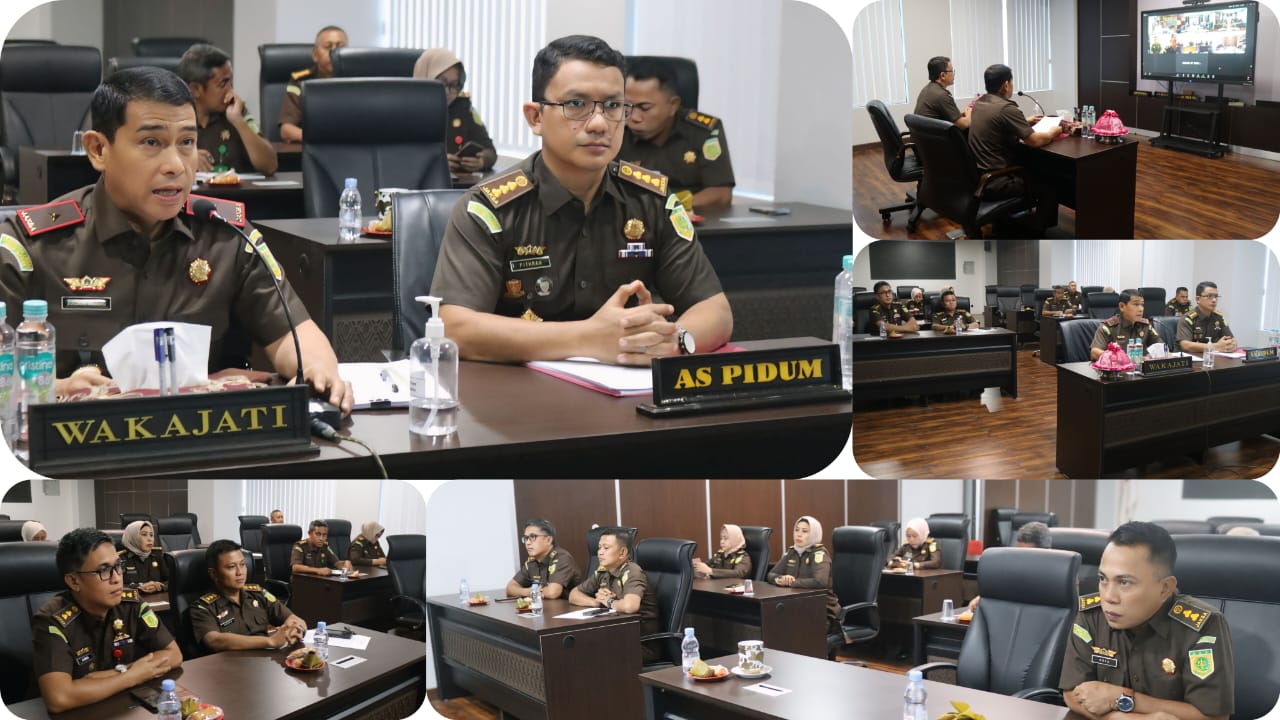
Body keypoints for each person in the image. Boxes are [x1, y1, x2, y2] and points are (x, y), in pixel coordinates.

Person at [0, 67, 351, 411]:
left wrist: (319, 371)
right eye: (151, 142)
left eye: (186, 142)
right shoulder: (32, 246)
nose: (176, 166)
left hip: (202, 436)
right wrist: (55, 389)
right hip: (74, 440)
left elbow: (293, 334)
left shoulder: (226, 236)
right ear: (98, 150)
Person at [430, 35, 732, 365]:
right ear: (536, 117)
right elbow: (455, 327)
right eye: (576, 105)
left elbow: (715, 311)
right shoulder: (489, 207)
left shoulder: (652, 201)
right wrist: (588, 338)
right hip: (518, 391)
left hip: (626, 390)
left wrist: (676, 341)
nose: (600, 124)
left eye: (613, 106)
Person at [1061, 522, 1234, 720]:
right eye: (1102, 578)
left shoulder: (1203, 626)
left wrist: (1120, 698)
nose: (1108, 597)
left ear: (1165, 589)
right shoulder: (1091, 615)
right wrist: (1125, 718)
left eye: (1124, 582)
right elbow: (1072, 693)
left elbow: (1212, 716)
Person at [30, 528, 182, 713]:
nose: (116, 578)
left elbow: (174, 654)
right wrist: (132, 676)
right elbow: (59, 698)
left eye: (118, 566)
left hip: (119, 708)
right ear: (74, 581)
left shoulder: (131, 603)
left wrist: (113, 674)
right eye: (103, 570)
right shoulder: (52, 620)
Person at [619, 57, 734, 208]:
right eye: (627, 106)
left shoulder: (703, 132)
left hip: (686, 217)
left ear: (673, 105)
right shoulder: (615, 130)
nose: (633, 117)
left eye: (644, 108)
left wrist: (672, 208)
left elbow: (721, 194)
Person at [176, 43, 278, 175]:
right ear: (195, 89)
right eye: (223, 83)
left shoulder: (236, 110)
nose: (231, 90)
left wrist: (238, 121)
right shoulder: (174, 117)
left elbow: (270, 166)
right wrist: (186, 157)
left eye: (231, 81)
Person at [968, 63, 1066, 200]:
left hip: (979, 178)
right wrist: (1053, 132)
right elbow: (1034, 141)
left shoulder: (979, 103)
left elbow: (996, 124)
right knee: (1050, 182)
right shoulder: (1006, 108)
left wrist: (1024, 121)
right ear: (1006, 85)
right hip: (998, 180)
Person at [190, 539, 307, 652]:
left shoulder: (258, 593)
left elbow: (294, 619)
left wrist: (296, 629)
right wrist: (269, 641)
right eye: (231, 567)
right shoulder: (202, 607)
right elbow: (214, 640)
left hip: (263, 660)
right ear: (213, 573)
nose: (240, 572)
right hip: (228, 663)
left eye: (242, 564)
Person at [569, 527, 661, 661]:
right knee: (579, 645)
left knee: (588, 651)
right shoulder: (603, 571)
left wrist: (609, 602)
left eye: (606, 548)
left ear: (622, 552)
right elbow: (574, 594)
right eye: (599, 548)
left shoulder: (632, 572)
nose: (600, 552)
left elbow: (630, 606)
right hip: (616, 635)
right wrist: (596, 602)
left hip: (639, 643)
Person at [412, 48, 498, 174]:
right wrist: (436, 163)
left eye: (454, 85)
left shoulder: (463, 108)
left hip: (459, 182)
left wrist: (482, 161)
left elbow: (490, 151)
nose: (448, 92)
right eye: (442, 83)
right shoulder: (405, 111)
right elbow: (397, 157)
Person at [767, 516, 840, 634]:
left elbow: (820, 581)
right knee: (773, 623)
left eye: (804, 531)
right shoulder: (792, 552)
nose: (799, 534)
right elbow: (771, 574)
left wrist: (791, 582)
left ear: (814, 534)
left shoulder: (819, 554)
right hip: (797, 605)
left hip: (822, 609)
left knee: (792, 629)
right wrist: (779, 579)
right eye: (796, 530)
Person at [278, 25, 348, 143]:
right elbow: (286, 130)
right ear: (315, 55)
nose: (334, 52)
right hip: (315, 148)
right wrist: (322, 138)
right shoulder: (300, 82)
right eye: (328, 47)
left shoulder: (358, 81)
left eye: (340, 47)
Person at [968, 521, 1051, 611]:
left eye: (1028, 555)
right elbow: (1004, 588)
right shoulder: (1015, 569)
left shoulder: (1055, 579)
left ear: (1045, 552)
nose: (1022, 560)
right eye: (1019, 553)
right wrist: (982, 598)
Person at [506, 518, 581, 599]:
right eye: (526, 538)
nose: (527, 542)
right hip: (543, 605)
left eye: (533, 537)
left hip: (567, 606)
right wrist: (528, 592)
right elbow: (510, 588)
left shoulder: (562, 558)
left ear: (548, 540)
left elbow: (553, 593)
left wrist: (532, 592)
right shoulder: (532, 561)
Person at [1090, 289, 1161, 361]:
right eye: (1136, 304)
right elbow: (1094, 353)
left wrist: (1151, 356)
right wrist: (1123, 359)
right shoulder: (1108, 327)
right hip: (1117, 367)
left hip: (1140, 367)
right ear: (1122, 306)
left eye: (1142, 305)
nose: (1141, 309)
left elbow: (1161, 347)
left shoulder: (1145, 326)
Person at [1175, 281, 1236, 354]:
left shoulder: (1219, 318)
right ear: (1198, 299)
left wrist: (1231, 345)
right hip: (1191, 359)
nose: (1214, 300)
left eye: (1216, 296)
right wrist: (1216, 346)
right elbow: (1185, 345)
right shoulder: (1188, 319)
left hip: (1214, 358)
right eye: (1209, 296)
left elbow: (1232, 340)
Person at [914, 56, 972, 130]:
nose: (953, 74)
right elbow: (963, 124)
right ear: (943, 75)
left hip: (922, 135)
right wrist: (970, 113)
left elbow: (940, 116)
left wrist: (960, 114)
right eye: (952, 71)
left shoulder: (927, 89)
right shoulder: (941, 95)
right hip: (934, 137)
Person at [119, 520, 167, 593]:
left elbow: (171, 581)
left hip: (157, 598)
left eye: (151, 535)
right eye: (144, 534)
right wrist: (139, 587)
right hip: (134, 599)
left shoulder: (157, 556)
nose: (150, 539)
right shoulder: (121, 559)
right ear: (133, 537)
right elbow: (116, 587)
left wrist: (159, 586)